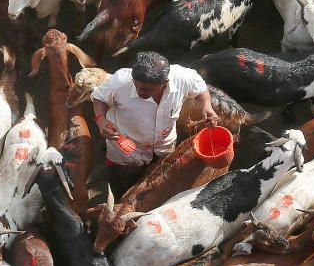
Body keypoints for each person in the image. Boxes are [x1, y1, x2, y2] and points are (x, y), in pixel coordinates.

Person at [91, 51, 218, 196]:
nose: (139, 91)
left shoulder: (182, 78)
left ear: (165, 83)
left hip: (164, 146)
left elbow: (200, 87)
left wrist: (207, 106)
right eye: (136, 85)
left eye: (146, 89)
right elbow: (99, 97)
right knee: (124, 182)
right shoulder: (119, 81)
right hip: (127, 149)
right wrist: (101, 120)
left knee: (157, 178)